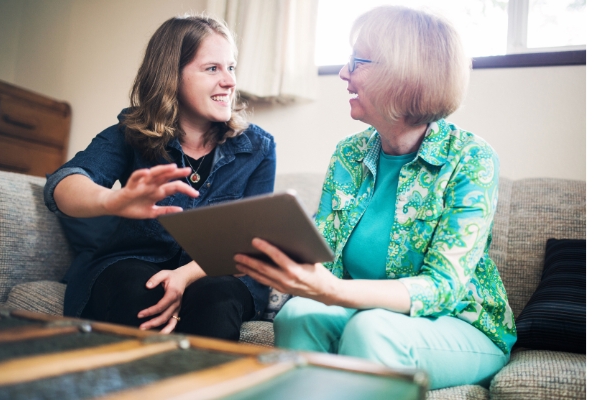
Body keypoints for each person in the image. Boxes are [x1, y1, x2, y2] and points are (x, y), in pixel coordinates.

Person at [234, 5, 516, 390]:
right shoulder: (348, 154)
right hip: (366, 312)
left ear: (403, 74)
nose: (343, 73)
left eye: (357, 61)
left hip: (459, 324)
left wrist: (334, 292)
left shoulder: (470, 158)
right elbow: (324, 261)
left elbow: (443, 287)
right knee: (297, 315)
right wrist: (276, 260)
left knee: (372, 329)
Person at [44, 14, 276, 341]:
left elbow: (249, 242)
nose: (229, 81)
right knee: (138, 289)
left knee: (216, 297)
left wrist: (185, 276)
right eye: (212, 68)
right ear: (172, 75)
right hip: (135, 262)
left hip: (220, 272)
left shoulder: (258, 148)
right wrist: (112, 200)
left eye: (231, 67)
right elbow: (63, 184)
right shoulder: (131, 133)